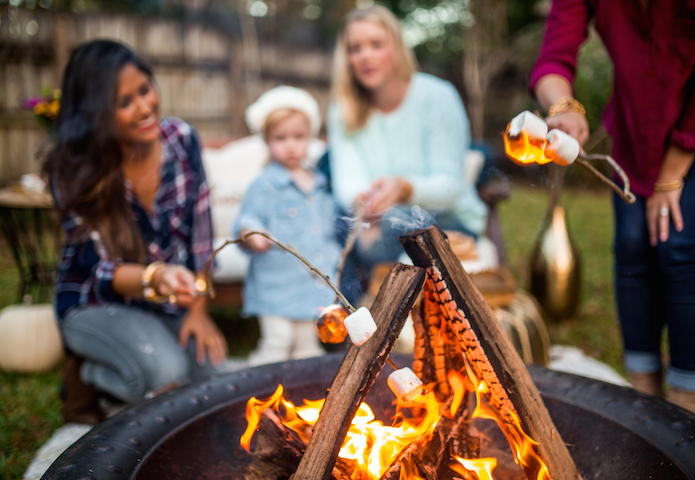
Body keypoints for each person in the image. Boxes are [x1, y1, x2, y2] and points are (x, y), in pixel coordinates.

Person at [531, 0, 695, 420]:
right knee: (632, 247)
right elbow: (553, 58)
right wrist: (563, 107)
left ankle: (690, 402)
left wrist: (671, 174)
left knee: (679, 246)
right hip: (636, 128)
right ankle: (645, 391)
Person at [43, 40, 228, 424]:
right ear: (95, 114)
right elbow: (99, 269)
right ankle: (89, 376)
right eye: (124, 102)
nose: (144, 108)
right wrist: (156, 275)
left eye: (145, 90)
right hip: (93, 301)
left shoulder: (182, 140)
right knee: (166, 375)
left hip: (161, 301)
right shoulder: (72, 170)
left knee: (210, 382)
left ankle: (128, 358)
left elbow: (201, 235)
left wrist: (197, 311)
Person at [327, 5, 487, 301]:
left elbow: (450, 187)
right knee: (332, 219)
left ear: (397, 48)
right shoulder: (342, 111)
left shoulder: (438, 97)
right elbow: (346, 184)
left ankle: (358, 314)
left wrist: (403, 188)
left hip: (446, 220)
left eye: (376, 44)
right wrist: (367, 201)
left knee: (399, 227)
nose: (365, 56)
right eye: (355, 48)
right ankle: (343, 319)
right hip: (378, 222)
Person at [232, 86, 341, 366]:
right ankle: (255, 391)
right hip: (277, 286)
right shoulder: (265, 184)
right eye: (280, 138)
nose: (290, 145)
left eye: (298, 137)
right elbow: (248, 220)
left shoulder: (319, 182)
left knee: (308, 346)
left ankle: (300, 398)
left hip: (314, 285)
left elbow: (328, 226)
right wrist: (252, 234)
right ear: (267, 140)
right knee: (278, 341)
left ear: (310, 138)